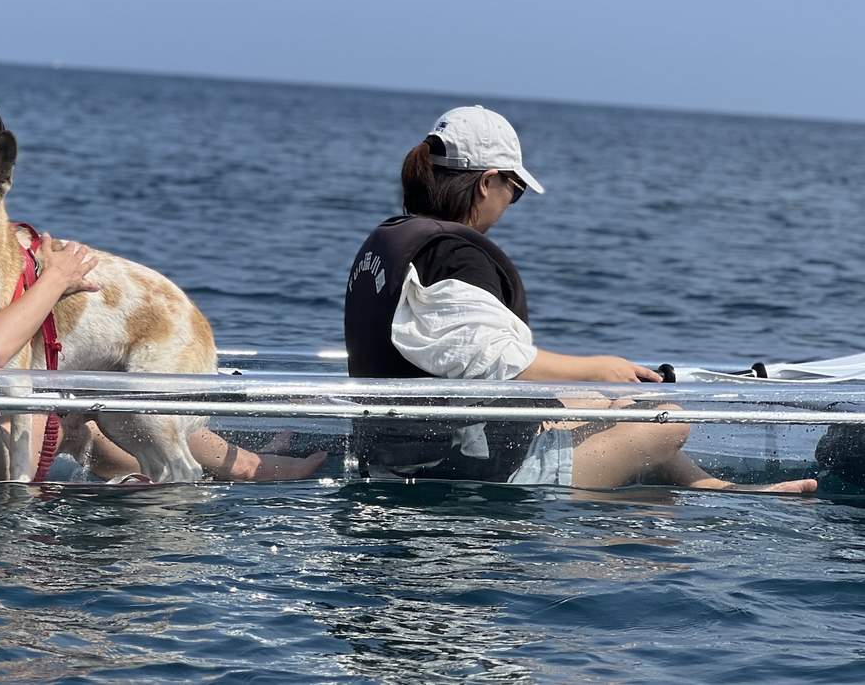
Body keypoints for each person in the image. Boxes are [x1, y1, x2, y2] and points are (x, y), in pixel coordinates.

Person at [0, 77, 326, 483]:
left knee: (89, 412)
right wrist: (57, 278)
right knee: (64, 413)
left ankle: (242, 466)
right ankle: (230, 470)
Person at [343, 105, 816, 494]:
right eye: (515, 187)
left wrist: (594, 383)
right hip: (465, 472)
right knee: (666, 423)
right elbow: (489, 360)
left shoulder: (396, 242)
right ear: (486, 183)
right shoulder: (456, 256)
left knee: (596, 402)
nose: (512, 200)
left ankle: (711, 486)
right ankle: (676, 505)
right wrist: (597, 365)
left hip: (396, 449)